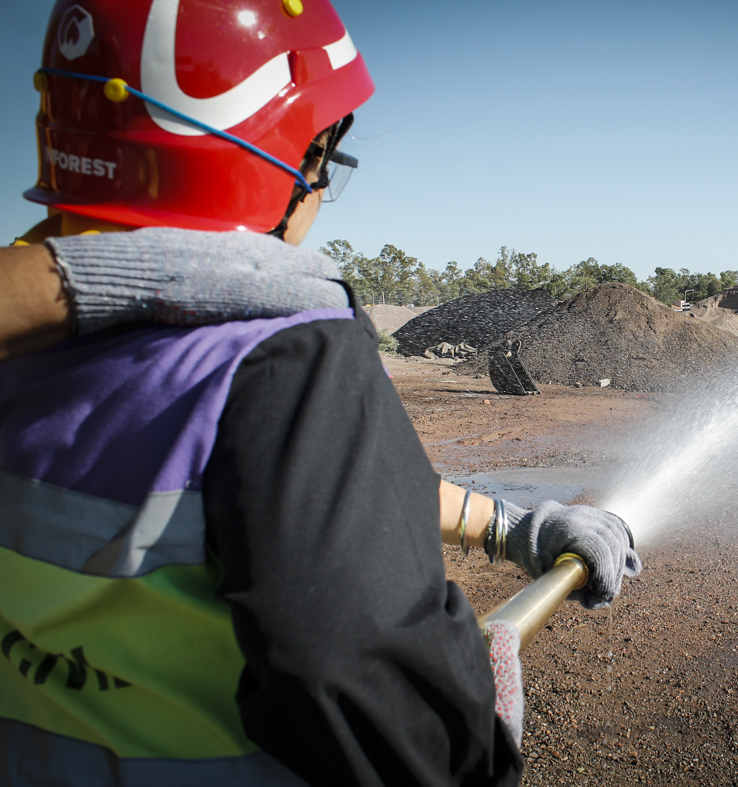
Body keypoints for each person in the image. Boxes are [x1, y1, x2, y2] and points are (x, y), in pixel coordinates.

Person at [0, 2, 639, 785]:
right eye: (321, 153)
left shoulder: (26, 343)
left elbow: (281, 483)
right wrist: (470, 733)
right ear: (277, 154)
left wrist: (510, 526)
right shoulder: (279, 356)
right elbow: (359, 684)